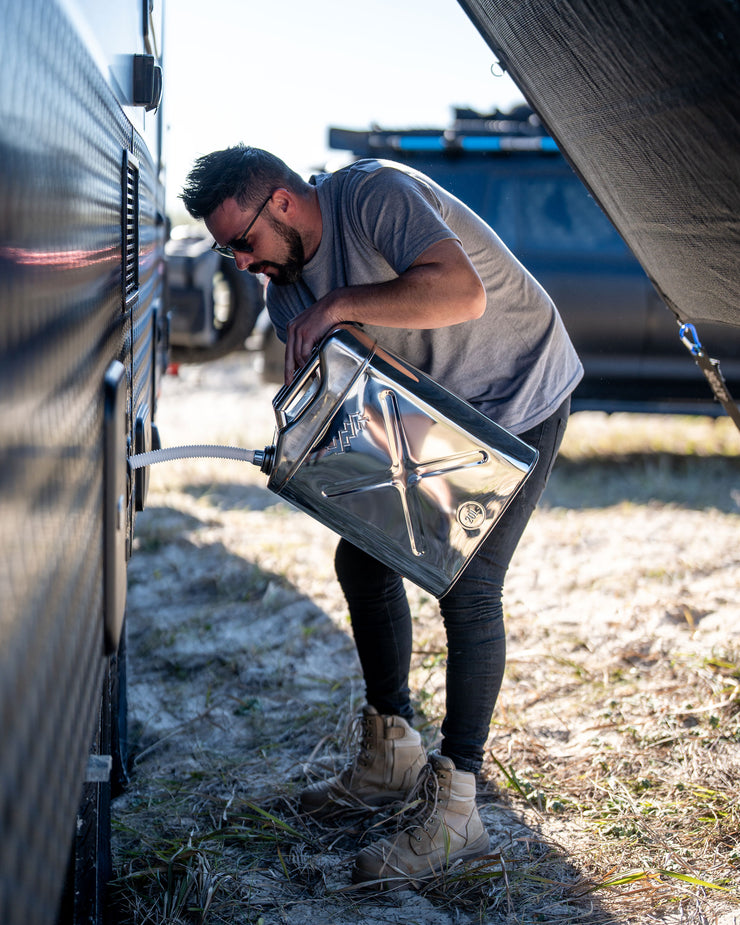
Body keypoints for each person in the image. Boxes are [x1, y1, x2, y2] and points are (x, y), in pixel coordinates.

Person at [180, 145, 583, 889]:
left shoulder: (374, 195)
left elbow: (462, 294)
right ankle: (392, 747)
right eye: (224, 249)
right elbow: (356, 399)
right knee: (359, 555)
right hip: (434, 406)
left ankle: (459, 810)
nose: (239, 262)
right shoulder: (284, 295)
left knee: (469, 585)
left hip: (515, 384)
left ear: (285, 204)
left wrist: (342, 305)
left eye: (244, 241)